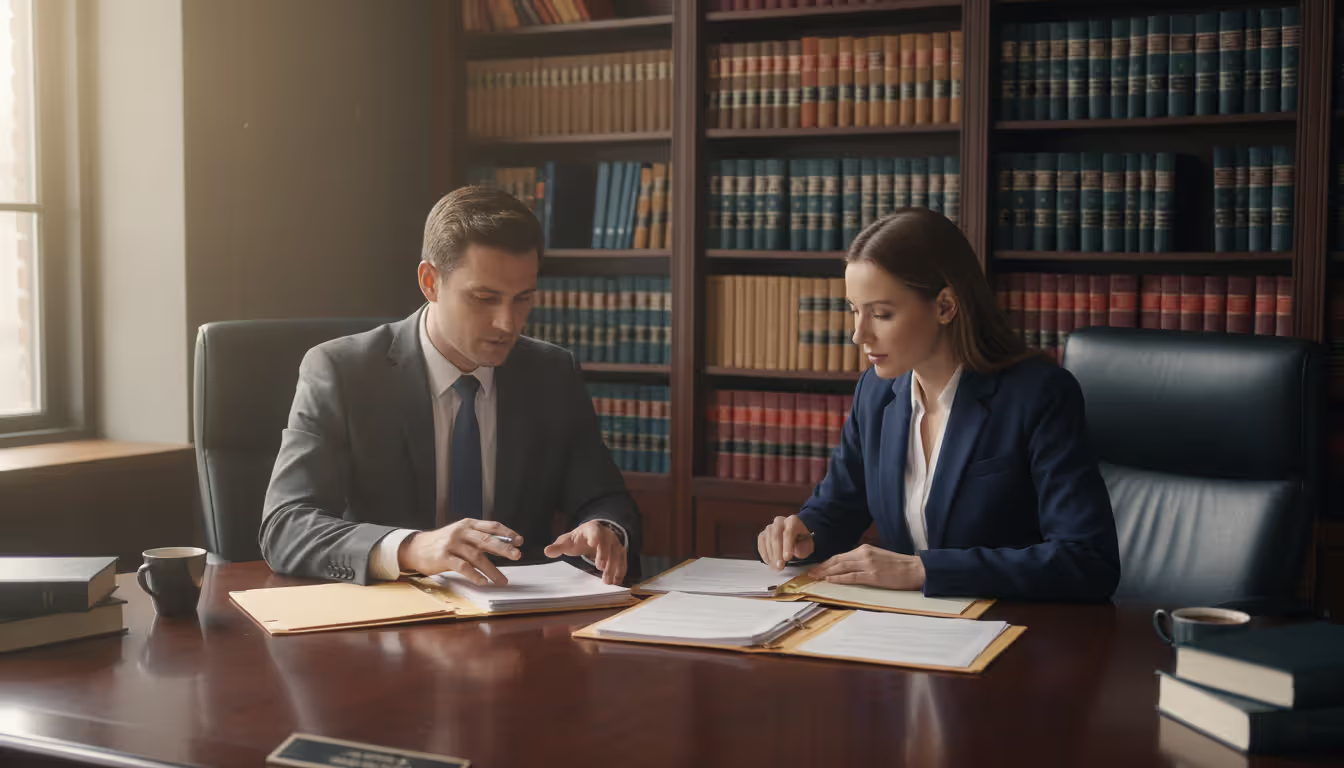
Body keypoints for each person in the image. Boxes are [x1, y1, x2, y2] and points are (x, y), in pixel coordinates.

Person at [261, 186, 641, 587]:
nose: (508, 323)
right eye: (484, 297)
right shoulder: (342, 372)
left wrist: (605, 529)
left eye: (522, 299)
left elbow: (604, 498)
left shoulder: (551, 373)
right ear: (430, 282)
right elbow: (286, 526)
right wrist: (412, 548)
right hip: (387, 623)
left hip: (517, 619)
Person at [756, 208, 1119, 601]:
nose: (859, 335)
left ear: (945, 306)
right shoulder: (875, 394)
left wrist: (922, 570)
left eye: (881, 314)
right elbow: (838, 508)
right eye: (854, 311)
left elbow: (1087, 560)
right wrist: (803, 535)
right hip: (911, 629)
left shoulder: (1039, 395)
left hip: (1016, 631)